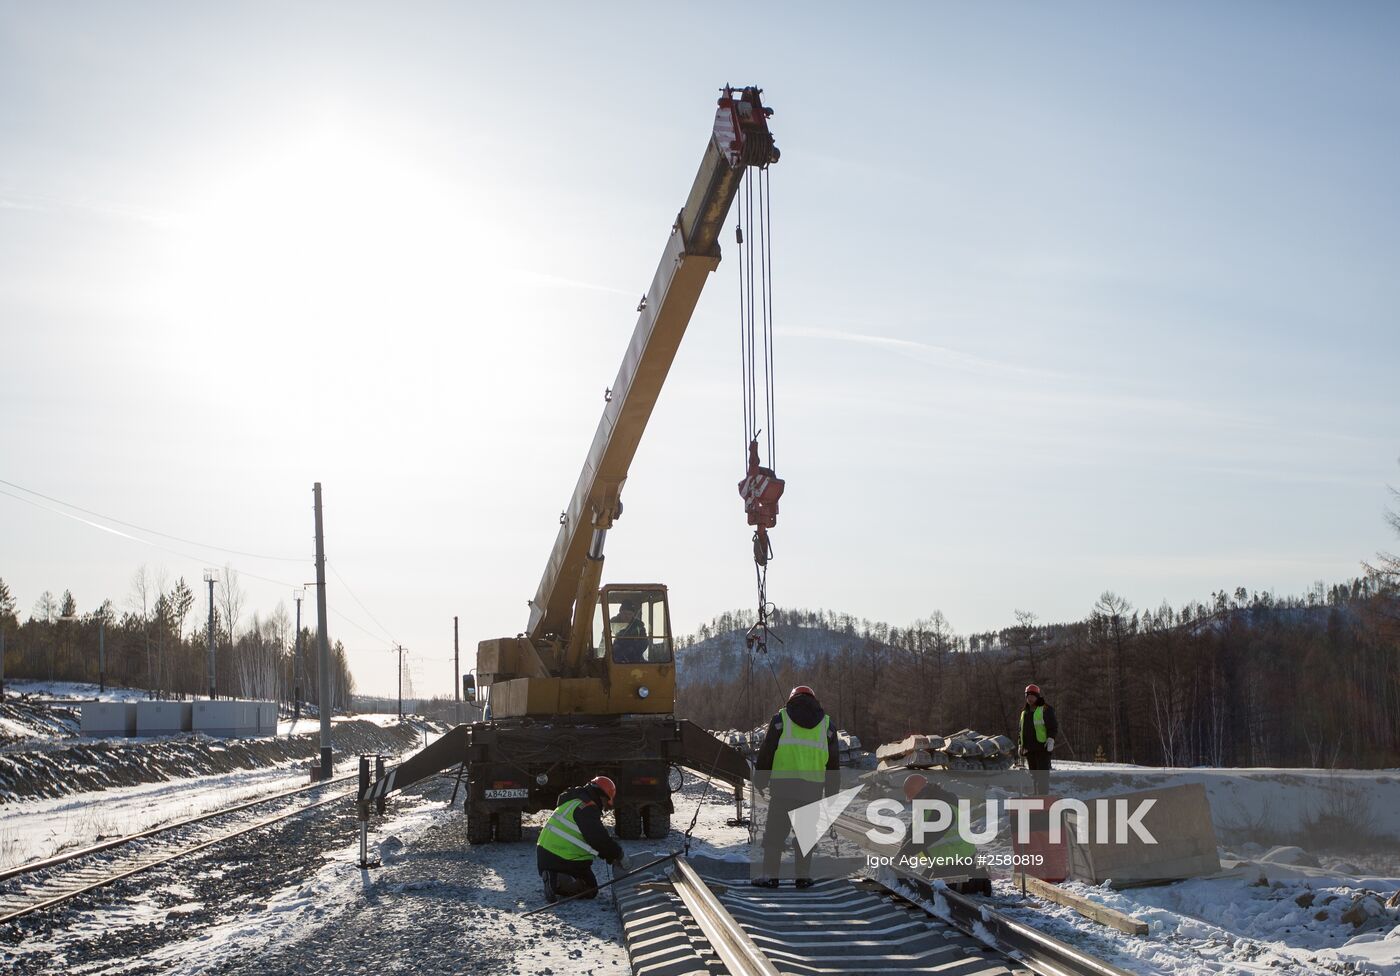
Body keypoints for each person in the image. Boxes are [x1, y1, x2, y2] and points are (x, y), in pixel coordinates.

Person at [752, 684, 840, 888]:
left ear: (792, 699)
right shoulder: (827, 726)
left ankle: (770, 876)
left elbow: (767, 752)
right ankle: (802, 877)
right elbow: (833, 763)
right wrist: (832, 794)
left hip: (783, 789)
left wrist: (760, 780)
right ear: (814, 700)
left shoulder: (780, 720)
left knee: (775, 834)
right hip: (812, 790)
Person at [537, 775, 629, 903]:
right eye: (605, 802)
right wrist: (618, 854)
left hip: (550, 853)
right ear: (601, 796)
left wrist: (610, 857)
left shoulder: (576, 802)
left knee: (589, 885)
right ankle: (555, 878)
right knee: (590, 890)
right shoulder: (586, 808)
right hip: (559, 856)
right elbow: (598, 839)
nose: (604, 807)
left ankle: (555, 877)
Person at [1019, 683, 1059, 795]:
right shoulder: (1024, 713)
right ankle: (1035, 797)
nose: (1030, 698)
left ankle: (1043, 798)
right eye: (1028, 696)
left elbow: (1053, 726)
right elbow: (1021, 731)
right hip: (1029, 750)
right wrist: (1020, 745)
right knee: (1033, 776)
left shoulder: (1046, 709)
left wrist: (1051, 739)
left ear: (1037, 696)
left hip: (1042, 748)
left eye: (1032, 696)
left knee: (1042, 776)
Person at [610, 598, 649, 664]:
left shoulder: (638, 625)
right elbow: (605, 639)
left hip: (635, 659)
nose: (627, 616)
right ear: (620, 613)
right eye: (625, 613)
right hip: (615, 658)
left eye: (630, 614)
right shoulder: (612, 623)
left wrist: (633, 649)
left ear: (633, 614)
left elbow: (644, 642)